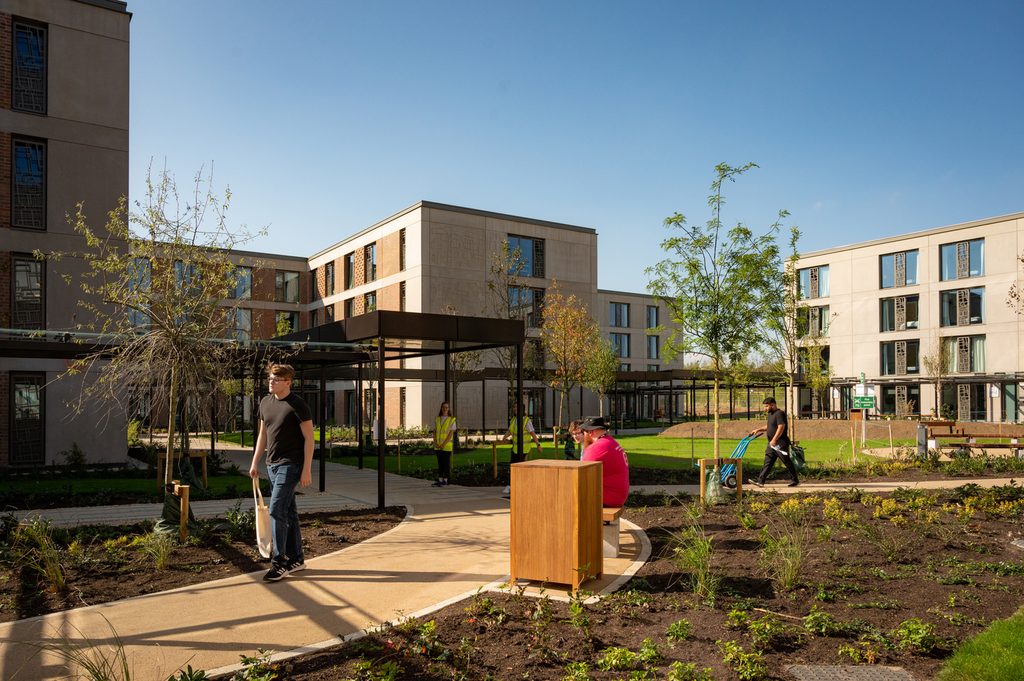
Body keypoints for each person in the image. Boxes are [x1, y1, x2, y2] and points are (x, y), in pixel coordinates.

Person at [249, 363, 315, 582]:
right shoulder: (265, 403)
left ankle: (280, 562)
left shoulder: (298, 405)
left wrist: (306, 469)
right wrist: (255, 461)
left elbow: (309, 439)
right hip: (272, 465)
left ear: (288, 382)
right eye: (270, 378)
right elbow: (262, 435)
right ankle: (297, 558)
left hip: (291, 464)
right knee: (289, 512)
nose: (271, 382)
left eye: (276, 379)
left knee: (276, 509)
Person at [749, 396, 799, 487]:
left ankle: (795, 480)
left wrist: (774, 439)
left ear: (773, 405)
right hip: (772, 443)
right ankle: (760, 481)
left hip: (780, 443)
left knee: (786, 461)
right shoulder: (770, 414)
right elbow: (769, 426)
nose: (765, 409)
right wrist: (758, 429)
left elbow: (781, 427)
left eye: (766, 406)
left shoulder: (779, 413)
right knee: (767, 462)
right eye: (764, 406)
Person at [580, 416, 630, 507]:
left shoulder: (598, 447)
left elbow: (581, 472)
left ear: (590, 432)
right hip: (617, 495)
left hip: (607, 497)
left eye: (583, 432)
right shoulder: (609, 441)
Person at [500, 403, 540, 496]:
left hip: (524, 449)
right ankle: (511, 485)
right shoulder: (514, 419)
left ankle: (520, 485)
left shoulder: (526, 420)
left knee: (520, 468)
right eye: (514, 407)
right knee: (512, 466)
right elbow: (510, 431)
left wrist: (538, 444)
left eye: (516, 407)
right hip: (515, 448)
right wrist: (504, 437)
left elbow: (532, 433)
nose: (514, 409)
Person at [432, 401, 457, 487]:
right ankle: (440, 480)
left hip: (446, 446)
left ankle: (445, 480)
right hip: (438, 446)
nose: (445, 408)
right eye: (443, 407)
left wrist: (443, 444)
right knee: (440, 463)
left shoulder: (451, 419)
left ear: (448, 409)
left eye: (446, 407)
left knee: (446, 464)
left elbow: (450, 434)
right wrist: (435, 442)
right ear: (441, 408)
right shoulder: (437, 419)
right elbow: (434, 432)